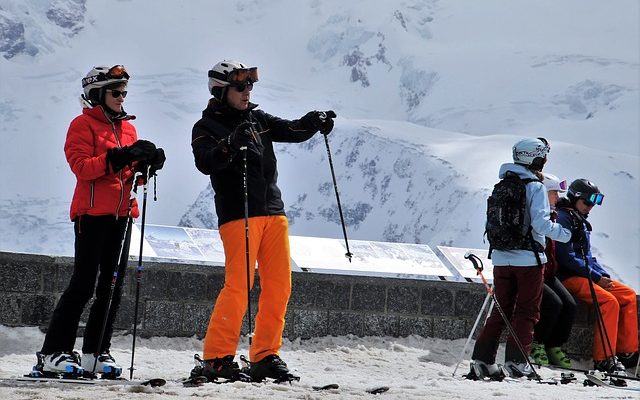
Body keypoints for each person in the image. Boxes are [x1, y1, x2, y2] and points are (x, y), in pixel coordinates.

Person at [190, 60, 336, 382]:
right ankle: (216, 358)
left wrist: (314, 121)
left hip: (273, 212)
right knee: (239, 287)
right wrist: (230, 144)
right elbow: (205, 161)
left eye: (250, 86)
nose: (248, 92)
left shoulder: (258, 118)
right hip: (237, 215)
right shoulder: (205, 127)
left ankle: (265, 356)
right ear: (220, 91)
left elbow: (292, 130)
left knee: (279, 287)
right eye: (240, 87)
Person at [35, 65, 165, 378]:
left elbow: (129, 175)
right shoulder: (82, 125)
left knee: (112, 286)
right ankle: (53, 352)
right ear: (98, 94)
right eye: (115, 92)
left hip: (121, 214)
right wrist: (122, 156)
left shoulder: (127, 128)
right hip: (91, 214)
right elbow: (82, 167)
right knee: (83, 284)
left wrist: (146, 164)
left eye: (124, 92)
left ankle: (95, 351)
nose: (122, 98)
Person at [469, 137, 571, 380]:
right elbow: (540, 224)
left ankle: (482, 360)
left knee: (500, 311)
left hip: (501, 259)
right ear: (535, 157)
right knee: (526, 311)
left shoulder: (501, 185)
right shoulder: (534, 186)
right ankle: (517, 363)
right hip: (529, 260)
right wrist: (563, 233)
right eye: (543, 155)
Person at [555, 178, 638, 373]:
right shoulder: (563, 218)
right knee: (609, 302)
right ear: (574, 199)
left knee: (627, 295)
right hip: (568, 277)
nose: (589, 208)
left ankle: (627, 352)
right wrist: (595, 277)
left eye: (592, 204)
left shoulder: (579, 220)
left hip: (585, 274)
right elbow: (566, 257)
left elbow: (588, 256)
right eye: (586, 203)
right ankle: (604, 358)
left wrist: (603, 275)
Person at [530, 173, 576, 368]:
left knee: (570, 305)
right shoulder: (539, 216)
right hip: (534, 270)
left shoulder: (554, 215)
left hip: (549, 272)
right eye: (553, 192)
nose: (557, 196)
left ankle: (554, 345)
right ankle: (537, 343)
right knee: (553, 304)